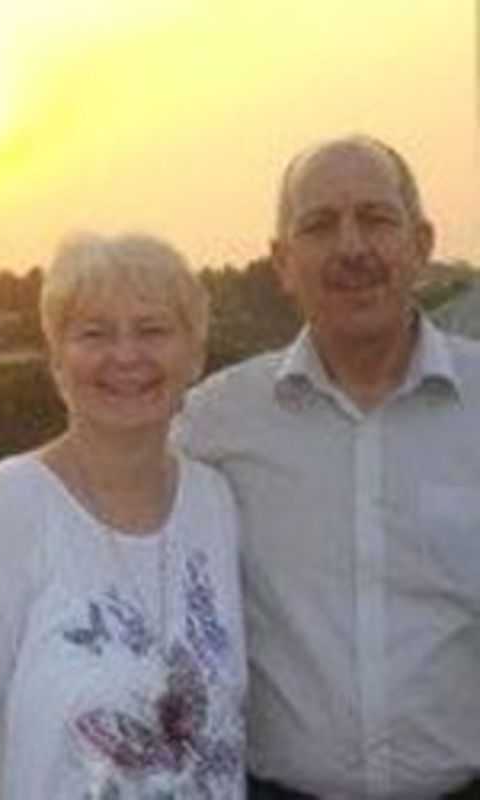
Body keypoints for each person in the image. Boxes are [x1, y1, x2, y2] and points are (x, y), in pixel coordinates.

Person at [173, 134, 480, 800]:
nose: (351, 248)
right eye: (319, 226)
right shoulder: (214, 423)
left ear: (421, 244)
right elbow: (99, 510)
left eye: (376, 219)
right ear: (283, 263)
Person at [0, 233, 247, 798]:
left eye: (153, 330)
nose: (126, 355)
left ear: (195, 355)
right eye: (94, 333)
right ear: (58, 360)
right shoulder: (5, 509)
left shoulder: (215, 504)